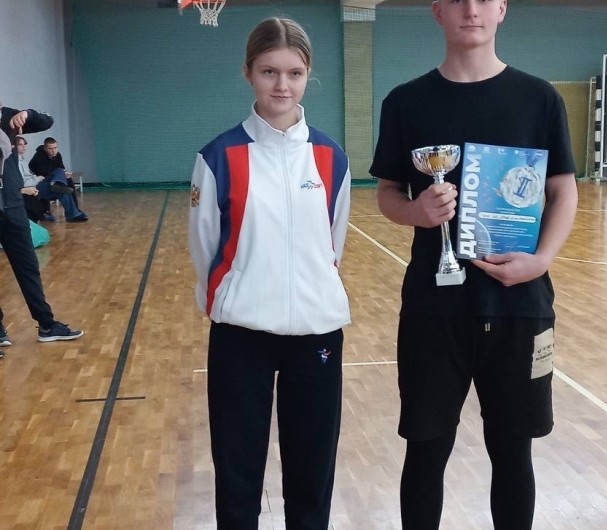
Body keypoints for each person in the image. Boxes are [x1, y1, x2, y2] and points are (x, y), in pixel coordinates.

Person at [369, 1, 579, 529]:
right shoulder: (406, 101)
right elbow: (388, 191)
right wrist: (415, 212)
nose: (471, 9)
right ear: (437, 11)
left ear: (502, 9)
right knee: (426, 449)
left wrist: (542, 261)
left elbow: (563, 190)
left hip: (519, 307)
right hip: (433, 307)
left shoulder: (539, 98)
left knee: (513, 451)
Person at [188, 18, 351, 530]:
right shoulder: (218, 157)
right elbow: (205, 248)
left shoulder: (330, 156)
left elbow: (333, 243)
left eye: (294, 73)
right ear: (248, 73)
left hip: (317, 335)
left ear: (307, 76)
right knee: (238, 477)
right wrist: (236, 299)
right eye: (269, 72)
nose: (282, 85)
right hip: (241, 335)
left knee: (312, 476)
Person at [0, 102, 84, 351]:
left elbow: (46, 120)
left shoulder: (8, 117)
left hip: (12, 207)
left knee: (28, 267)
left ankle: (47, 325)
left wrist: (27, 114)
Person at [29, 136, 88, 222]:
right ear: (45, 149)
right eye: (50, 148)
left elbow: (62, 168)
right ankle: (72, 213)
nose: (54, 151)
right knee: (60, 175)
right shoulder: (39, 156)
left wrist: (66, 173)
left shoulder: (58, 155)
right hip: (40, 182)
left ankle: (74, 212)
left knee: (66, 183)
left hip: (52, 181)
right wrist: (60, 173)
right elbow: (44, 173)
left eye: (55, 148)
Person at [14, 135, 53, 222]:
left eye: (24, 144)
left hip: (33, 182)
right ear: (14, 146)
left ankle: (58, 183)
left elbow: (28, 176)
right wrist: (37, 179)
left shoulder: (23, 160)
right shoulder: (16, 162)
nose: (24, 146)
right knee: (57, 183)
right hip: (30, 185)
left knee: (60, 174)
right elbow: (23, 181)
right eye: (20, 144)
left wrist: (37, 178)